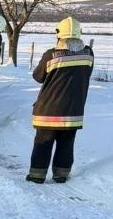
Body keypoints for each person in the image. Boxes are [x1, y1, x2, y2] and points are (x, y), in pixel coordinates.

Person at [26, 17, 94, 184]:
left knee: (43, 142)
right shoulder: (88, 54)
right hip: (73, 111)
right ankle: (61, 174)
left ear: (59, 34)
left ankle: (37, 175)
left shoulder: (51, 55)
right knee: (66, 143)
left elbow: (38, 76)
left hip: (48, 111)